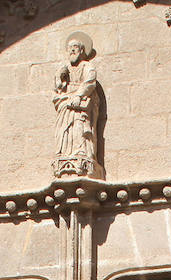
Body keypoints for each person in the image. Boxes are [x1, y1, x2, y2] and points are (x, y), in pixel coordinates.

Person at [52, 32, 100, 177]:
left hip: (79, 103)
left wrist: (78, 95)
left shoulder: (86, 66)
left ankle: (81, 152)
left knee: (79, 125)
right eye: (70, 48)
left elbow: (90, 82)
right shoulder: (65, 67)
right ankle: (64, 153)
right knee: (63, 129)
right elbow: (58, 87)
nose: (72, 50)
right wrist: (60, 77)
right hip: (66, 103)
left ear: (81, 51)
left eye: (75, 47)